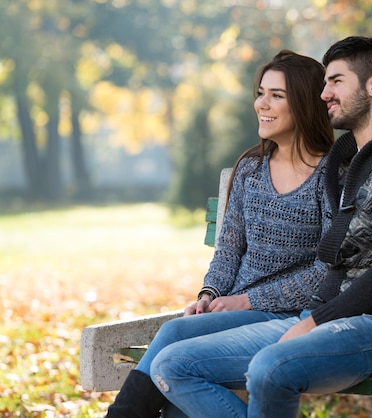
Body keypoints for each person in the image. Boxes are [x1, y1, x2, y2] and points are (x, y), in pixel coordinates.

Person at [151, 36, 372, 418]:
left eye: (336, 81)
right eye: (325, 83)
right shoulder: (354, 162)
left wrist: (314, 319)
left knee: (269, 368)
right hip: (323, 316)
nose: (324, 93)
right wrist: (311, 317)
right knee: (173, 364)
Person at [105, 50, 335, 417]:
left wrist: (246, 301)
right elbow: (228, 251)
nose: (262, 103)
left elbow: (328, 270)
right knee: (179, 369)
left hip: (294, 317)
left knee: (175, 337)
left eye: (277, 95)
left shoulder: (331, 175)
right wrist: (209, 294)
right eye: (261, 92)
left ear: (306, 104)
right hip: (234, 312)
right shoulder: (250, 170)